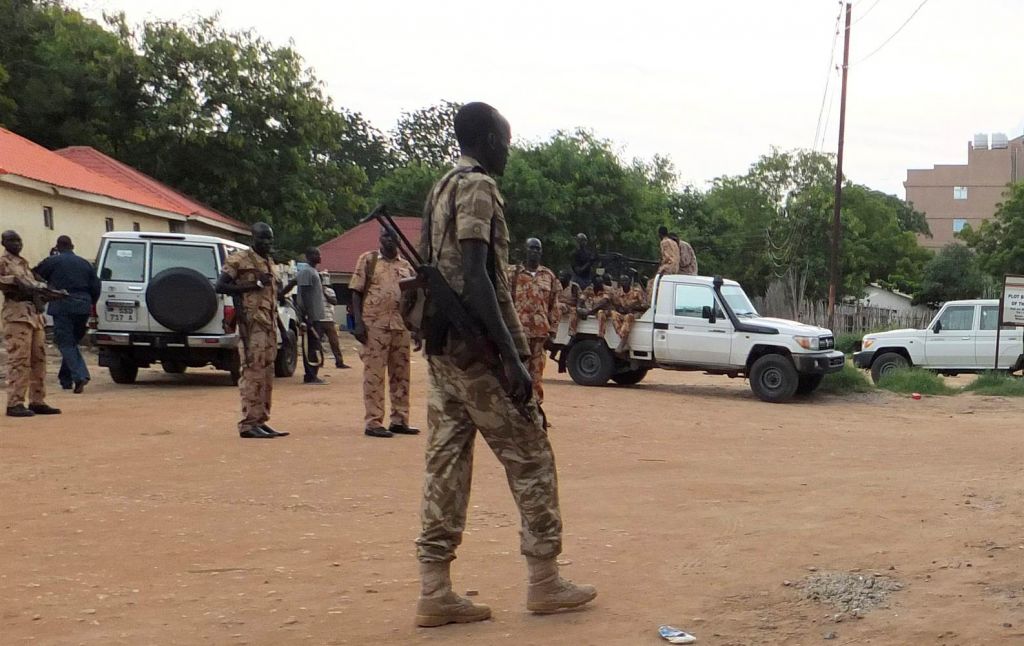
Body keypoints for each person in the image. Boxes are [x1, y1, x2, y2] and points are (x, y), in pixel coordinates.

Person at [413, 102, 595, 628]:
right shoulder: (477, 187)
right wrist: (511, 358)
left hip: (445, 351)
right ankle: (544, 581)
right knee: (532, 456)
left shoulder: (440, 188)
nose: (508, 153)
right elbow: (477, 275)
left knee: (445, 466)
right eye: (506, 142)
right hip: (478, 353)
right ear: (490, 139)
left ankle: (435, 589)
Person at [215, 223, 288, 439]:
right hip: (251, 325)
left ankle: (260, 419)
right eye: (263, 238)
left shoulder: (269, 262)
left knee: (266, 374)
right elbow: (220, 286)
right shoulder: (239, 260)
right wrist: (253, 285)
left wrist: (282, 329)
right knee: (252, 372)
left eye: (270, 238)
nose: (267, 242)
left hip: (268, 325)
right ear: (253, 238)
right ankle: (248, 423)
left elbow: (272, 297)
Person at [349, 227, 418, 439]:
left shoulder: (406, 266)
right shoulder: (368, 260)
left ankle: (399, 420)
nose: (389, 240)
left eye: (393, 236)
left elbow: (415, 298)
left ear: (399, 240)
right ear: (379, 238)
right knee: (374, 376)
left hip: (400, 326)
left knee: (401, 375)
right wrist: (358, 324)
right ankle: (374, 421)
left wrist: (416, 327)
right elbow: (356, 291)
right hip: (374, 327)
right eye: (385, 236)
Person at [1, 230, 63, 417]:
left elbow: (35, 284)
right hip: (17, 314)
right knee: (19, 359)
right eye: (12, 240)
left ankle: (37, 400)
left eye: (19, 240)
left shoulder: (23, 263)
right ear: (3, 243)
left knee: (39, 359)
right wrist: (15, 281)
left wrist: (50, 293)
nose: (17, 244)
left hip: (34, 314)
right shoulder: (3, 262)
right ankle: (15, 402)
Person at [33, 235, 101, 393]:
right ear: (72, 246)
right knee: (71, 344)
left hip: (62, 304)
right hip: (83, 305)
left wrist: (46, 290)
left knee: (65, 343)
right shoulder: (85, 263)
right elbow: (96, 286)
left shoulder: (53, 261)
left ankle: (80, 376)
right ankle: (65, 379)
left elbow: (34, 274)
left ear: (57, 247)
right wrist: (90, 303)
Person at [509, 238, 560, 404]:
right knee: (517, 373)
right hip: (518, 333)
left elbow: (554, 306)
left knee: (536, 376)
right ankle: (517, 408)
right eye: (531, 248)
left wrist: (552, 332)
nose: (535, 252)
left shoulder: (548, 276)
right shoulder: (513, 274)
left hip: (540, 334)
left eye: (538, 249)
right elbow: (505, 302)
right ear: (525, 250)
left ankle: (535, 409)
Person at [295, 248, 327, 385]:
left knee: (315, 344)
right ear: (308, 256)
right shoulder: (307, 272)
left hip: (316, 315)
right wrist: (307, 316)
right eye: (315, 254)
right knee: (311, 346)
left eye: (319, 254)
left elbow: (292, 283)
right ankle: (310, 375)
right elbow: (305, 294)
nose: (319, 256)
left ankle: (313, 373)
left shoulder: (313, 271)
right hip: (311, 316)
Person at [610, 273, 648, 353]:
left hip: (636, 313)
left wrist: (634, 307)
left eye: (626, 280)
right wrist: (621, 309)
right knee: (613, 314)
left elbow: (645, 306)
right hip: (624, 313)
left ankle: (622, 342)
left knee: (629, 316)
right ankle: (624, 340)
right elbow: (615, 305)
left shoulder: (636, 292)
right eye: (622, 281)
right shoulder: (618, 293)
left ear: (629, 281)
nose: (624, 282)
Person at [318, 271, 349, 369]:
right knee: (317, 343)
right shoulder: (313, 292)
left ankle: (339, 362)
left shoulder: (329, 291)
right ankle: (319, 362)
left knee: (334, 342)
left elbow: (334, 302)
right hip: (318, 319)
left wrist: (324, 293)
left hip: (328, 320)